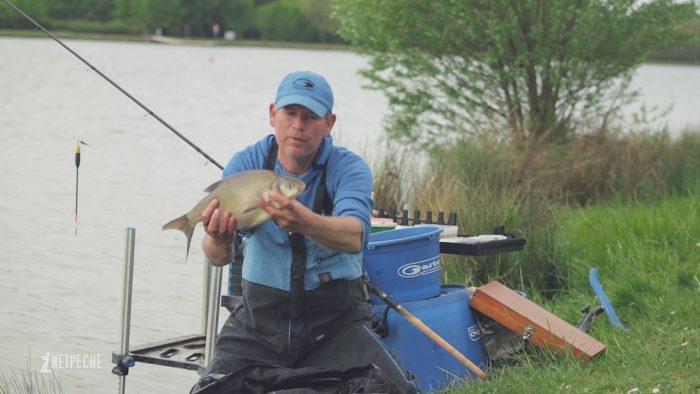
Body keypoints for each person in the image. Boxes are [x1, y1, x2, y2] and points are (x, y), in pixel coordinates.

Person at [191, 71, 417, 393]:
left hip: (337, 323)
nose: (298, 125)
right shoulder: (246, 165)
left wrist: (307, 222)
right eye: (290, 114)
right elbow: (217, 258)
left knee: (394, 389)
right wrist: (218, 238)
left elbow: (354, 237)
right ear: (273, 115)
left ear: (329, 123)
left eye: (311, 117)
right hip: (259, 324)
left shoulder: (349, 168)